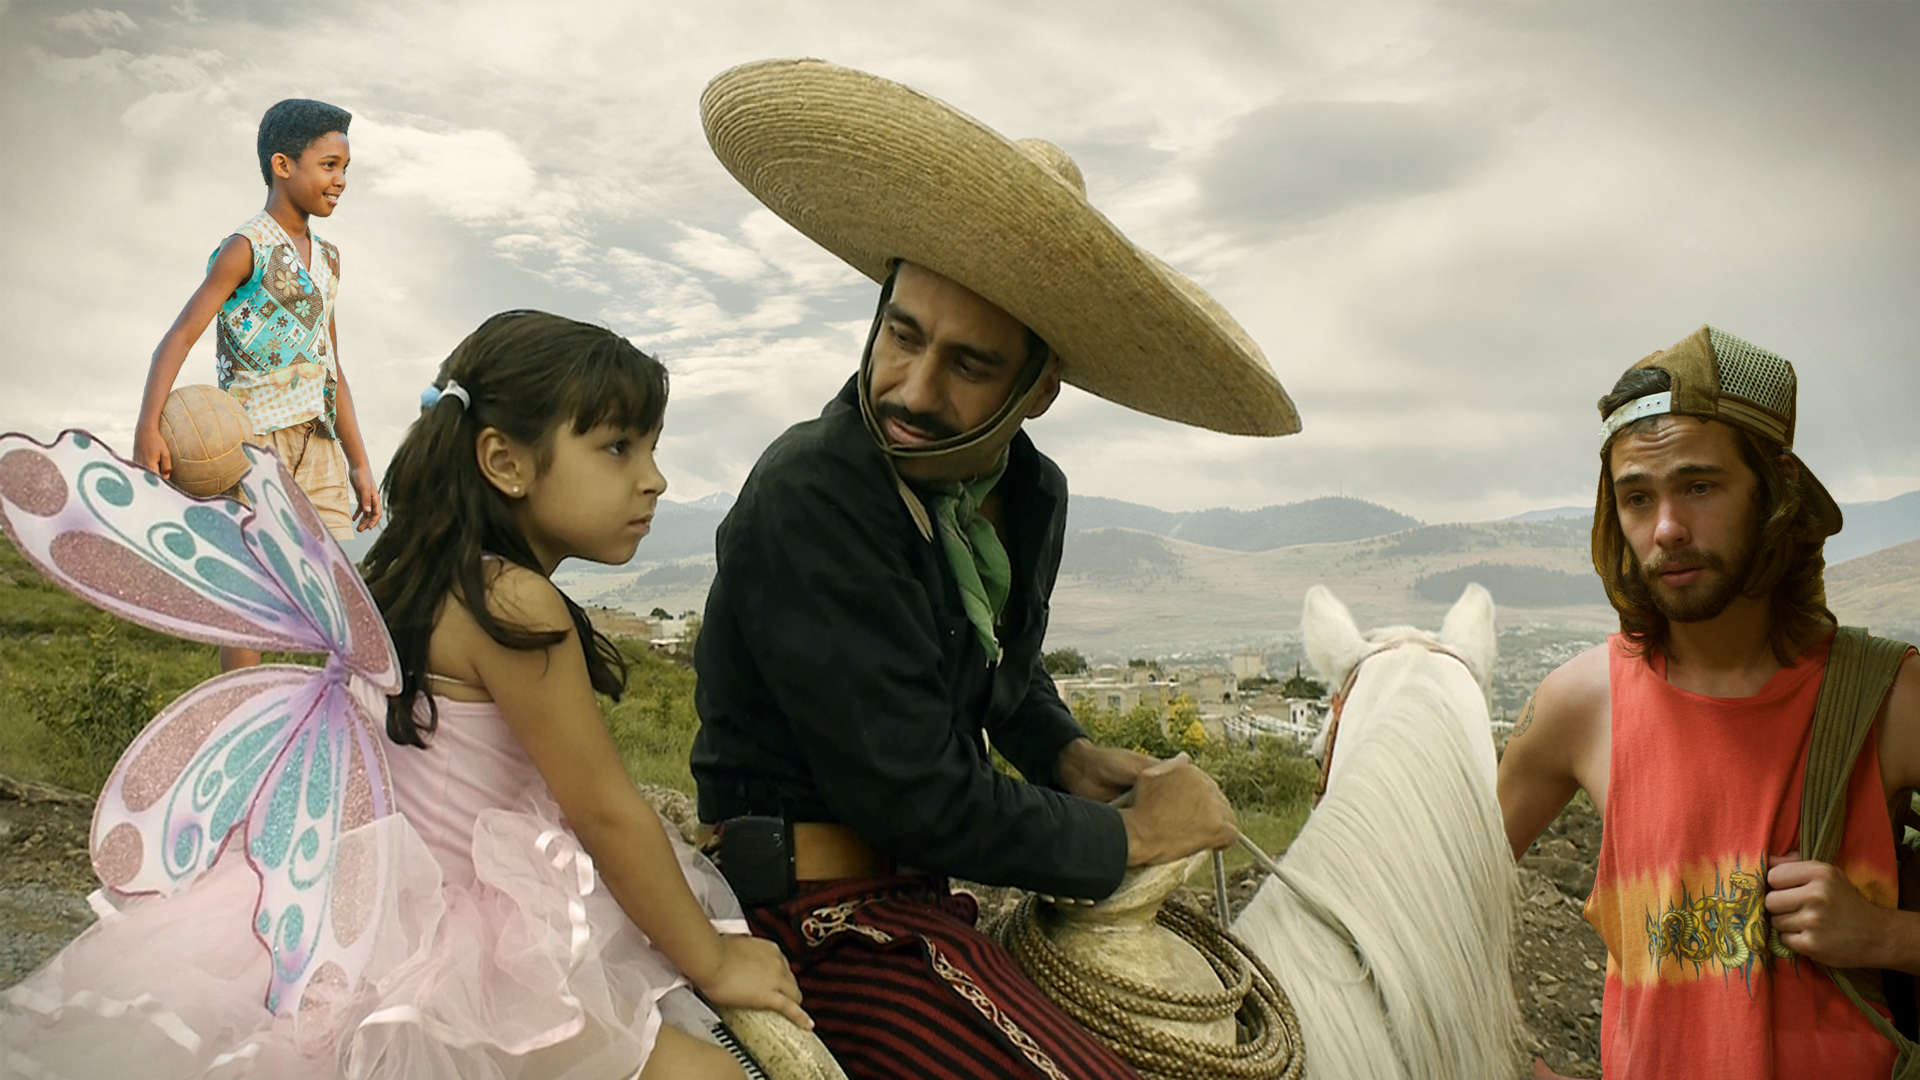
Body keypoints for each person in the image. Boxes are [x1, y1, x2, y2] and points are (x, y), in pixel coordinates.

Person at [690, 60, 1301, 1078]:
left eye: (968, 365)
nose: (912, 389)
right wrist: (1130, 838)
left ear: (1038, 391)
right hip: (806, 915)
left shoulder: (1028, 495)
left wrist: (1060, 751)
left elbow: (992, 671)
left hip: (917, 892)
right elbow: (914, 797)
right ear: (878, 310)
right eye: (903, 335)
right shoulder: (815, 496)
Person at [1, 311, 805, 1079]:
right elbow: (602, 809)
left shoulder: (406, 582)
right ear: (505, 461)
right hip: (458, 947)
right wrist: (716, 958)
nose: (655, 480)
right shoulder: (517, 605)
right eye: (618, 448)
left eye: (652, 449)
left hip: (371, 922)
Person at [1496, 325, 1920, 1079]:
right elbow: (1433, 898)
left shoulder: (1887, 698)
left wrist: (1886, 937)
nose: (1666, 529)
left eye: (1699, 486)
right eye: (1636, 497)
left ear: (1777, 492)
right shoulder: (1580, 704)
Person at [131, 97, 381, 672]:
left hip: (320, 452)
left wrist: (360, 461)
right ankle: (245, 719)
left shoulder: (330, 260)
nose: (340, 180)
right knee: (252, 599)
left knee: (338, 597)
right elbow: (178, 337)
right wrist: (148, 427)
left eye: (346, 168)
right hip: (250, 447)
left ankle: (326, 730)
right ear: (282, 164)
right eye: (329, 165)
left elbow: (331, 366)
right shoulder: (245, 247)